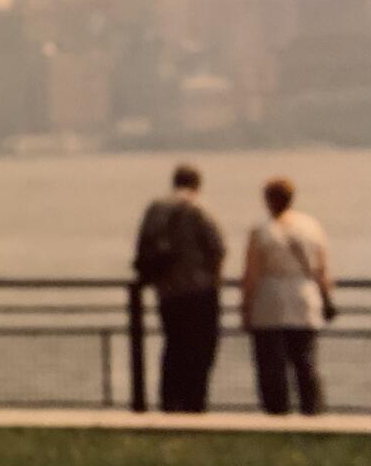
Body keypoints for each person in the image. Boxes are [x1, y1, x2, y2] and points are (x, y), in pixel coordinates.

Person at [133, 163, 226, 412]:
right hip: (199, 291)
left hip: (167, 291)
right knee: (200, 350)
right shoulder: (199, 209)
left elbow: (142, 248)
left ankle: (169, 402)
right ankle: (194, 403)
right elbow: (217, 248)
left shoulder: (155, 208)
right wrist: (214, 281)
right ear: (197, 184)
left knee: (173, 346)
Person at [241, 176, 334, 415]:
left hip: (270, 300)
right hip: (305, 298)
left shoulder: (261, 231)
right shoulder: (311, 226)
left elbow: (252, 275)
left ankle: (277, 414)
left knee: (271, 366)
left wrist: (245, 307)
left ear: (268, 200)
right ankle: (312, 412)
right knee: (305, 362)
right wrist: (326, 297)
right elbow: (323, 269)